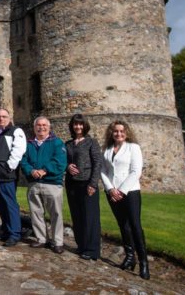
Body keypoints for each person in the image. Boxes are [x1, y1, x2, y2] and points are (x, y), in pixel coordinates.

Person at [101, 120, 150, 280]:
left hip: (130, 191)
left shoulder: (133, 147)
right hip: (112, 192)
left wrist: (121, 191)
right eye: (115, 131)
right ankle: (130, 256)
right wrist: (110, 189)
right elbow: (103, 171)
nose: (118, 134)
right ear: (111, 133)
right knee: (123, 225)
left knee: (135, 225)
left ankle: (144, 262)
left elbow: (136, 171)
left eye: (122, 131)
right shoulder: (107, 150)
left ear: (126, 133)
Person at [21, 116, 67, 254]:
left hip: (52, 183)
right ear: (34, 127)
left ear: (49, 127)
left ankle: (58, 241)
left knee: (56, 214)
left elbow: (59, 161)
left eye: (44, 125)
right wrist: (31, 171)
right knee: (36, 213)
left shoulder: (57, 143)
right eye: (38, 125)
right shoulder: (29, 144)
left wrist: (44, 170)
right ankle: (41, 238)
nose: (41, 127)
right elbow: (24, 161)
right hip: (34, 183)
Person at [65, 114, 102, 260]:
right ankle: (81, 245)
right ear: (72, 126)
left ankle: (92, 250)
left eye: (80, 124)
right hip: (72, 183)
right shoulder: (68, 144)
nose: (78, 127)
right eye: (75, 124)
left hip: (87, 183)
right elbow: (64, 161)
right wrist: (68, 166)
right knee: (77, 216)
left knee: (90, 217)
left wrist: (93, 183)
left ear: (84, 125)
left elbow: (97, 163)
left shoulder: (91, 142)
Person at [0, 108, 27, 247]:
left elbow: (19, 150)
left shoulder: (15, 131)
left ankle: (14, 233)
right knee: (0, 205)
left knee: (10, 204)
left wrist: (9, 167)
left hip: (6, 175)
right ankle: (5, 230)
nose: (1, 119)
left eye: (4, 116)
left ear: (9, 118)